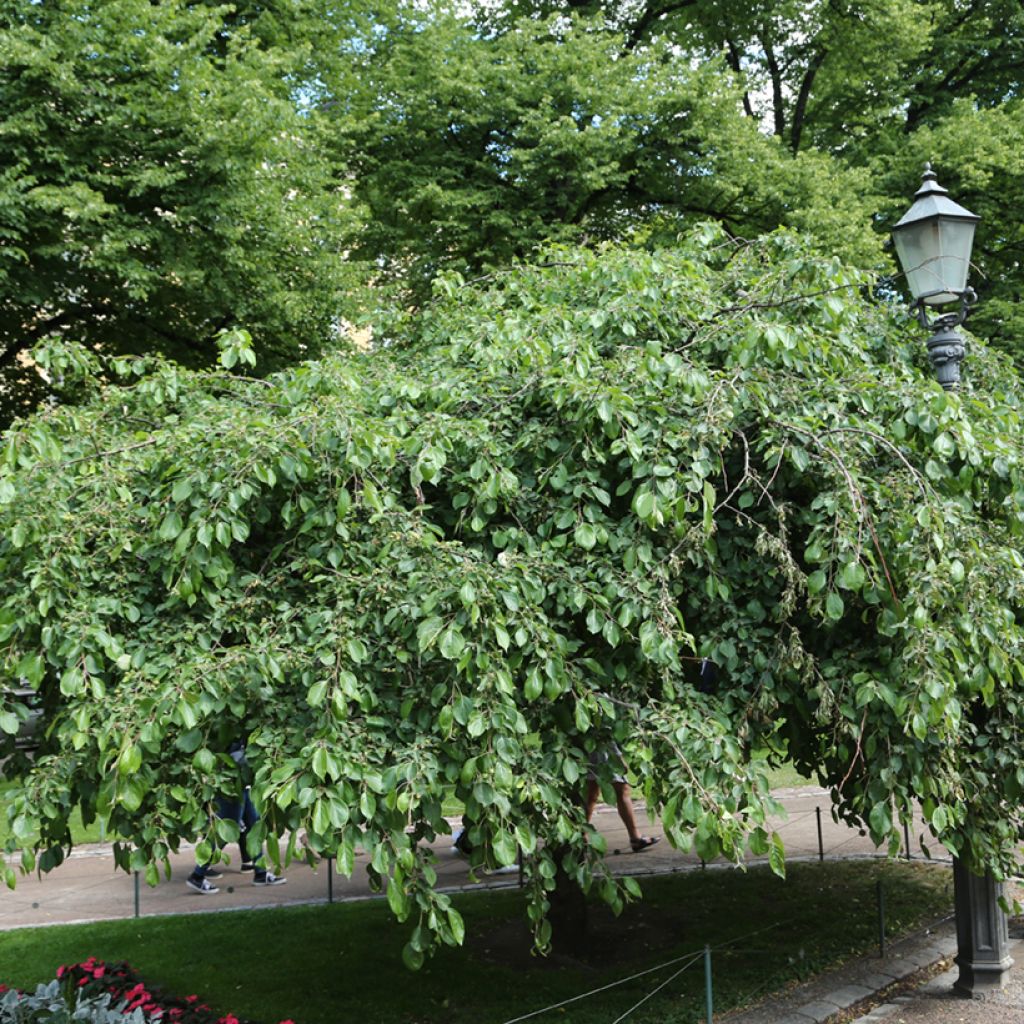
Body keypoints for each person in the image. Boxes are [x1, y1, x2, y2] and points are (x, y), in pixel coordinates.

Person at [186, 741, 286, 893]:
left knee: (255, 825)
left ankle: (261, 873)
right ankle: (197, 875)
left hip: (245, 783)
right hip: (231, 783)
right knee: (224, 831)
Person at [584, 744, 659, 853]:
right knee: (621, 789)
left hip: (593, 744)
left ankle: (581, 836)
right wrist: (619, 758)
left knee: (592, 792)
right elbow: (606, 732)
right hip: (603, 747)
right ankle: (635, 838)